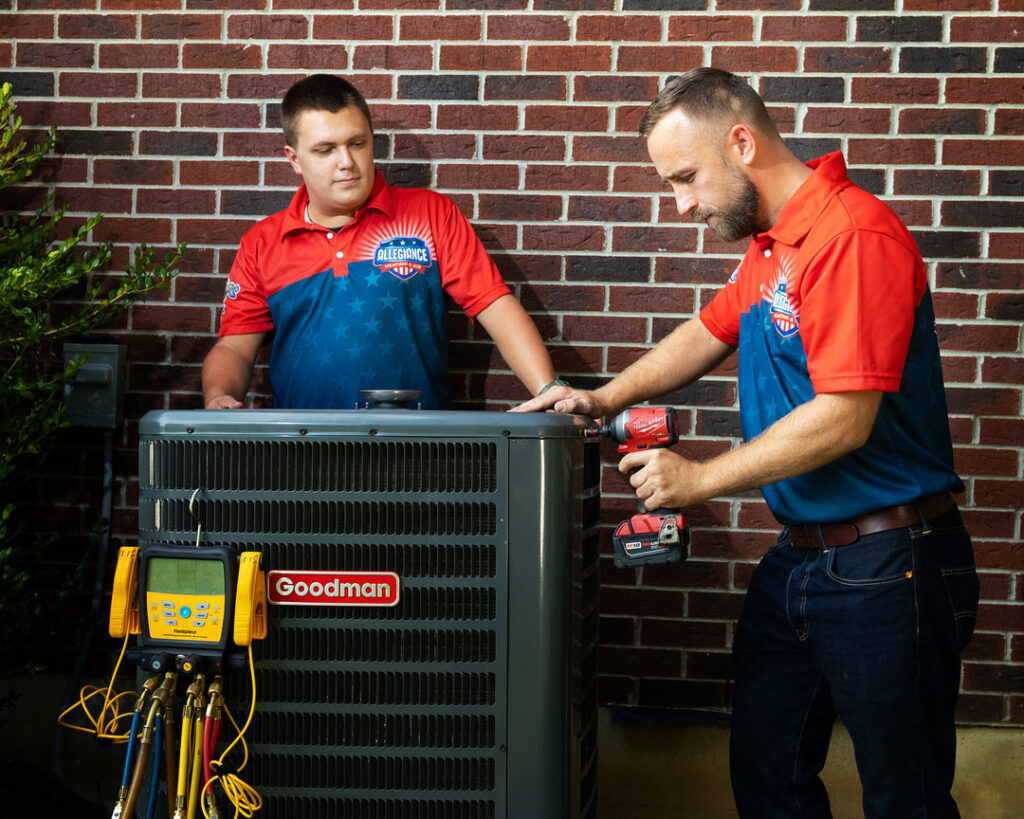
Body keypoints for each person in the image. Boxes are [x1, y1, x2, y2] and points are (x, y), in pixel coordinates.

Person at [515, 67, 978, 818]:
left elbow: (844, 416)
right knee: (768, 774)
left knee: (907, 797)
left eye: (687, 177)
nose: (682, 202)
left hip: (891, 564)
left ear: (741, 141)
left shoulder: (851, 234)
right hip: (802, 558)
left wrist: (697, 480)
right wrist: (604, 395)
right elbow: (706, 331)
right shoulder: (771, 246)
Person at [203, 73, 561, 410]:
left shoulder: (430, 215)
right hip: (303, 452)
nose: (347, 162)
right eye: (325, 150)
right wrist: (218, 396)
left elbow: (495, 306)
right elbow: (236, 345)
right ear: (294, 159)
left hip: (416, 449)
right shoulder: (262, 243)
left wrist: (548, 390)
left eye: (357, 144)